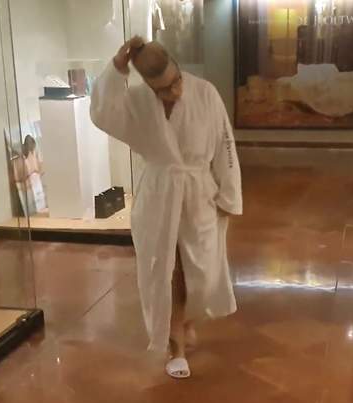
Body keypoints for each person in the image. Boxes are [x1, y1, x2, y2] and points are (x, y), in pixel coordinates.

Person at [90, 37, 242, 379]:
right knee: (165, 271)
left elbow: (225, 145)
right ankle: (175, 345)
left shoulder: (205, 93)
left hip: (200, 193)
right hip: (158, 195)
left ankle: (185, 320)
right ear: (147, 86)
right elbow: (101, 112)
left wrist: (230, 195)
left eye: (176, 81)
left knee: (201, 272)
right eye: (163, 89)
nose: (174, 91)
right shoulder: (137, 102)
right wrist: (117, 69)